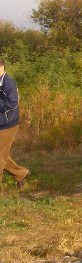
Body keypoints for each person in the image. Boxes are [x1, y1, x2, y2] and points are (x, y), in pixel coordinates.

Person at [0, 58, 29, 188]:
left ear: (1, 66)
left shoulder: (8, 83)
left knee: (0, 157)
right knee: (2, 155)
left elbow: (12, 103)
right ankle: (21, 173)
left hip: (8, 125)